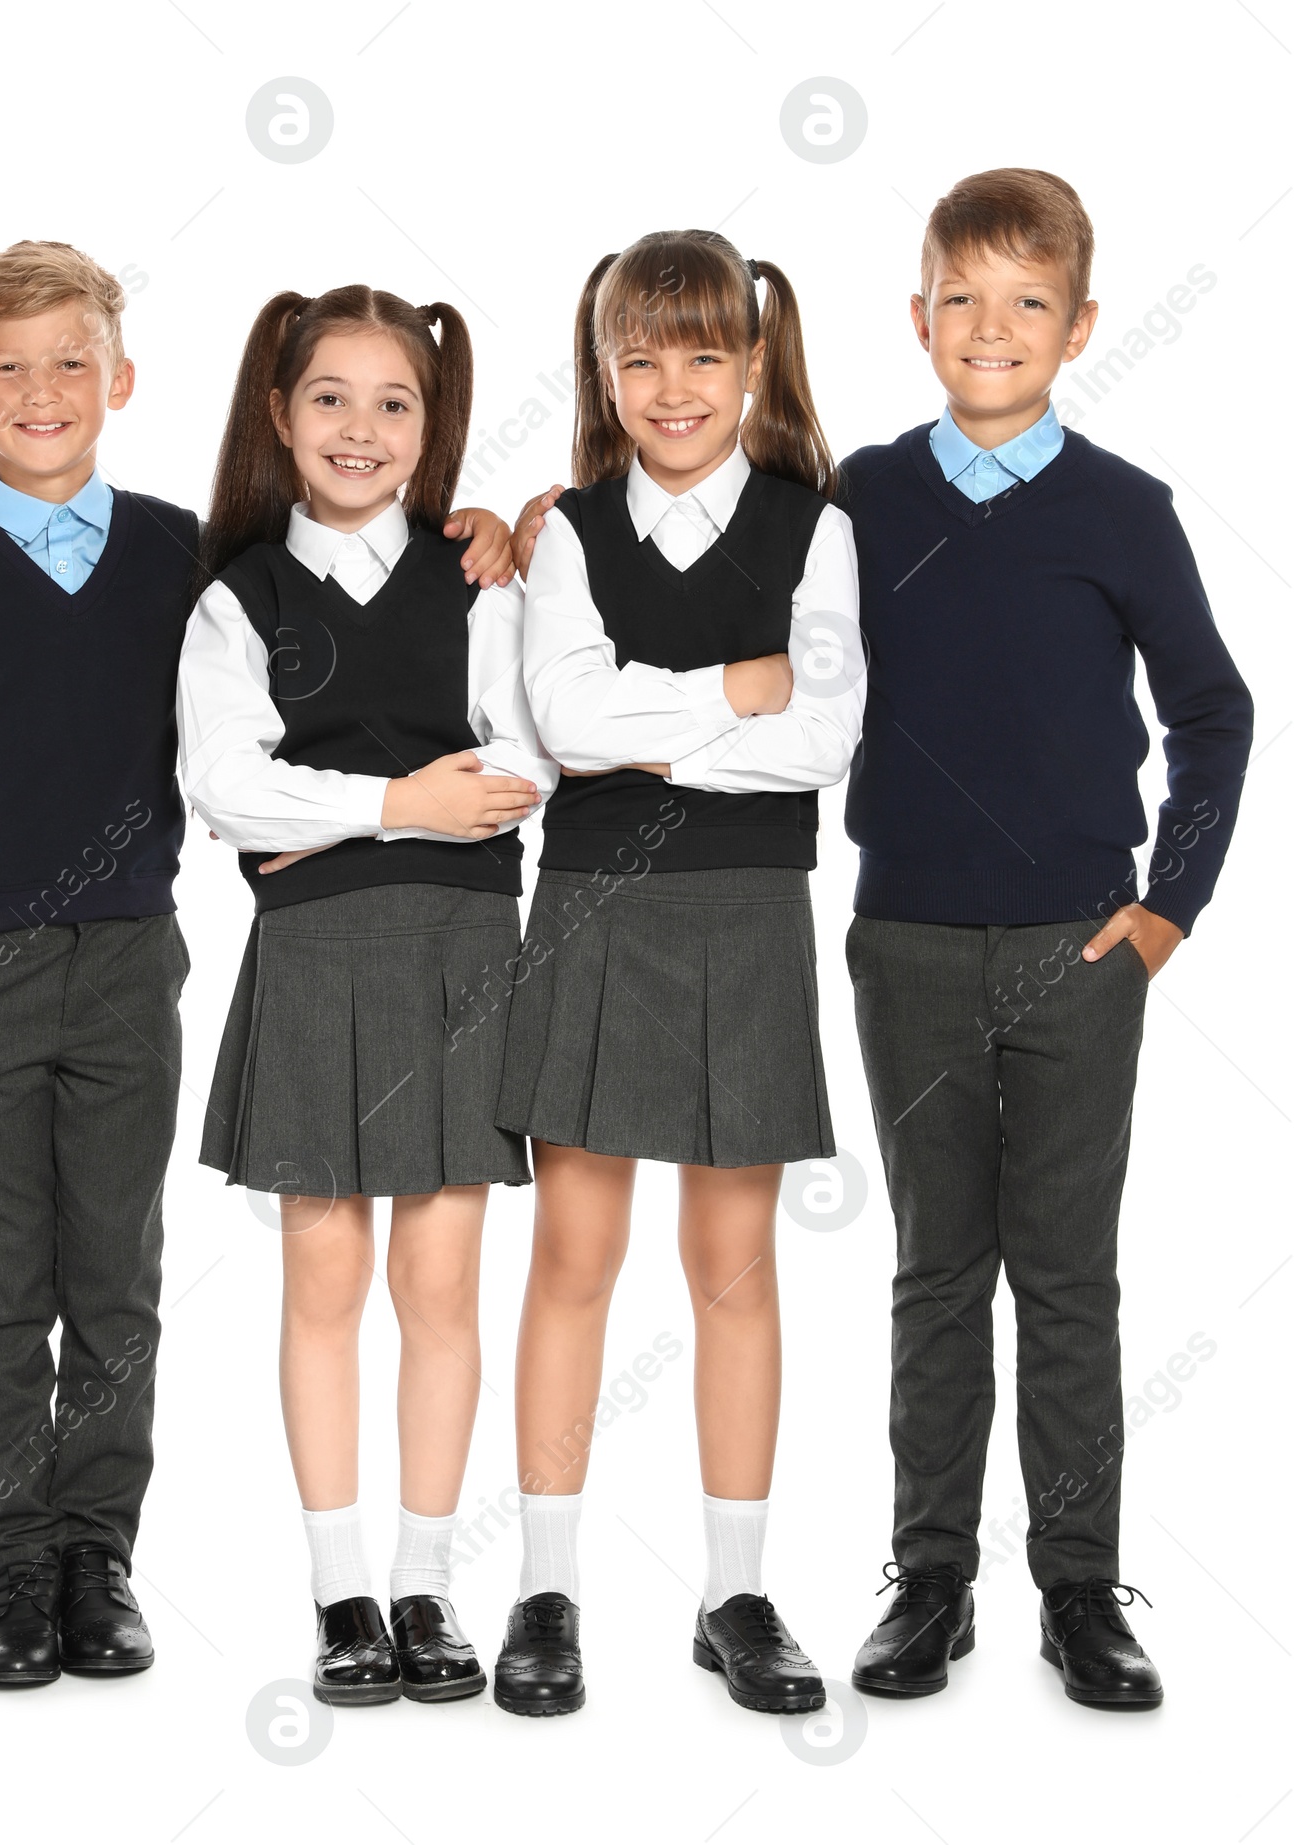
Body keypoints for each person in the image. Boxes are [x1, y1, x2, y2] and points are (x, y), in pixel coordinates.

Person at [0, 244, 515, 1692]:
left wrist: (492, 521)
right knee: (1, 1281)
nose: (42, 391)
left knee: (117, 1275)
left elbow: (299, 642)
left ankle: (99, 1556)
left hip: (132, 960)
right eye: (9, 368)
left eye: (72, 363)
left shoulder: (188, 560)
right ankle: (15, 1563)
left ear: (121, 382)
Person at [836, 169, 1252, 1708]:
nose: (990, 328)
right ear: (921, 315)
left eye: (1027, 302)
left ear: (1078, 327)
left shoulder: (1124, 511)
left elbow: (1213, 711)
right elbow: (723, 569)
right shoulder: (862, 494)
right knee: (937, 1266)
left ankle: (1080, 1587)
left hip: (1084, 951)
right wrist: (529, 517)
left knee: (1067, 1272)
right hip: (909, 944)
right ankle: (928, 1575)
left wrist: (1166, 909)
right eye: (962, 297)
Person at [494, 229, 863, 1716]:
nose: (671, 384)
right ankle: (547, 1583)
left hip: (750, 914)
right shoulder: (568, 530)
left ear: (755, 364)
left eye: (704, 352)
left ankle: (735, 1591)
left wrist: (656, 725)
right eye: (639, 355)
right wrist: (730, 692)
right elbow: (567, 724)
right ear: (603, 370)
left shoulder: (811, 526)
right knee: (574, 1262)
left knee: (733, 1270)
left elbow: (823, 739)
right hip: (591, 906)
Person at [178, 285, 554, 1706]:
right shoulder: (239, 596)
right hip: (317, 953)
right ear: (279, 416)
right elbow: (222, 788)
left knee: (442, 1284)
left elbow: (519, 767)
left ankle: (426, 1582)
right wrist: (405, 795)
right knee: (324, 1279)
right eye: (329, 396)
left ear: (432, 424)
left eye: (395, 401)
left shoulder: (480, 575)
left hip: (465, 951)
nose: (360, 427)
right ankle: (340, 1593)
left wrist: (324, 808)